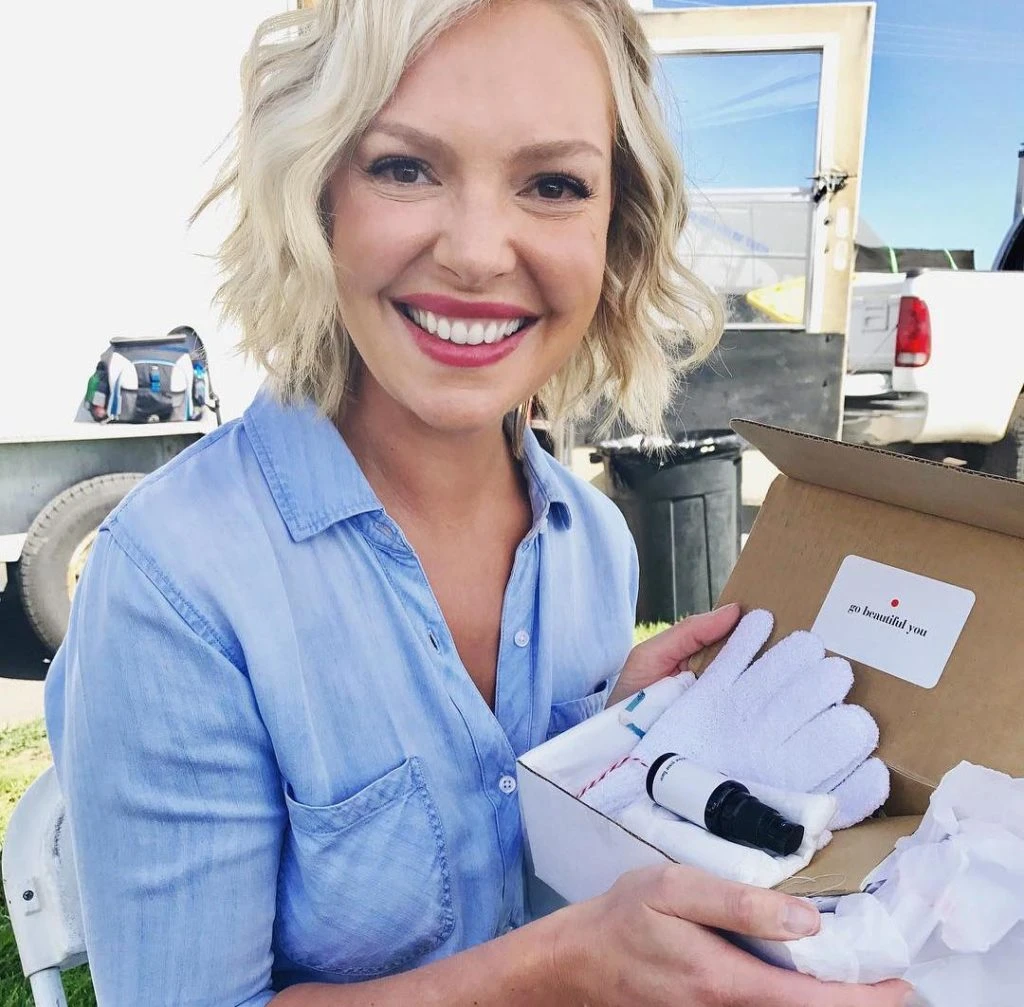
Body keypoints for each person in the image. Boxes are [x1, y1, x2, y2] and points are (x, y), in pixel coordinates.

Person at [44, 1, 913, 1004]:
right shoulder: (174, 581)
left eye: (552, 184)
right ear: (317, 195)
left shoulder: (593, 542)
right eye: (404, 167)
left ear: (616, 228)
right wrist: (564, 970)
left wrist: (608, 743)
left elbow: (521, 861)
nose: (477, 251)